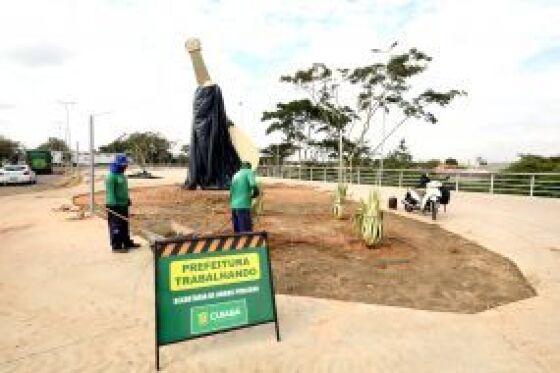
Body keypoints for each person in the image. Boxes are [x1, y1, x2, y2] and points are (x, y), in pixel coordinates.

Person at [105, 154, 140, 253]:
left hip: (123, 204)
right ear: (117, 164)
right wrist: (112, 205)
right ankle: (116, 246)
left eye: (125, 165)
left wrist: (127, 199)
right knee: (116, 226)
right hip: (114, 205)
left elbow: (123, 190)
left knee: (125, 224)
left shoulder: (122, 175)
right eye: (123, 165)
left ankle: (126, 242)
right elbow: (110, 192)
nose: (125, 167)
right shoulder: (111, 177)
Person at [230, 161, 259, 233]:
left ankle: (237, 243)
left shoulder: (235, 175)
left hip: (234, 206)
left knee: (237, 230)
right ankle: (247, 243)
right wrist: (256, 192)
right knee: (245, 230)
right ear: (249, 167)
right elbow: (253, 184)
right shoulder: (248, 172)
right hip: (243, 205)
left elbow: (231, 192)